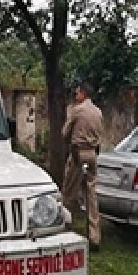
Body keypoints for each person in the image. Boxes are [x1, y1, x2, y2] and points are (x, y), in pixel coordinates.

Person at [60, 81, 104, 251]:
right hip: (93, 154)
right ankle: (95, 236)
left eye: (77, 93)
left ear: (83, 94)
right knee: (91, 195)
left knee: (69, 192)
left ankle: (64, 227)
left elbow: (65, 133)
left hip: (78, 153)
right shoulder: (98, 112)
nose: (76, 95)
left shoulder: (77, 110)